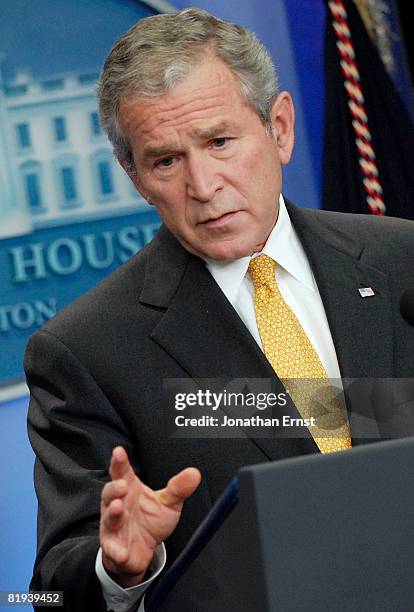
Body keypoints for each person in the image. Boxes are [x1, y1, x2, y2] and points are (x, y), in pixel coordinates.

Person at [26, 8, 414, 612]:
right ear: (134, 176)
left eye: (219, 141)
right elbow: (48, 590)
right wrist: (119, 568)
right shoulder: (88, 348)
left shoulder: (402, 263)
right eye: (166, 160)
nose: (203, 185)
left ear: (279, 128)